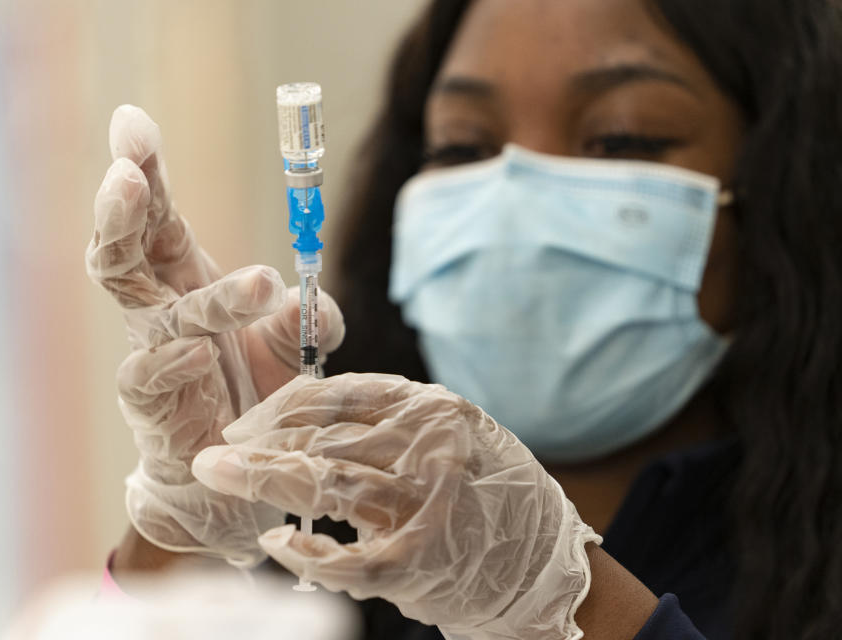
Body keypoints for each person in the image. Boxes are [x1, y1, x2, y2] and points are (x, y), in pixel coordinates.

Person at [85, 0, 842, 638]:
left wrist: (558, 600)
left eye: (623, 137)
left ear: (788, 184)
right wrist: (183, 538)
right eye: (463, 146)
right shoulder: (345, 561)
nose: (510, 199)